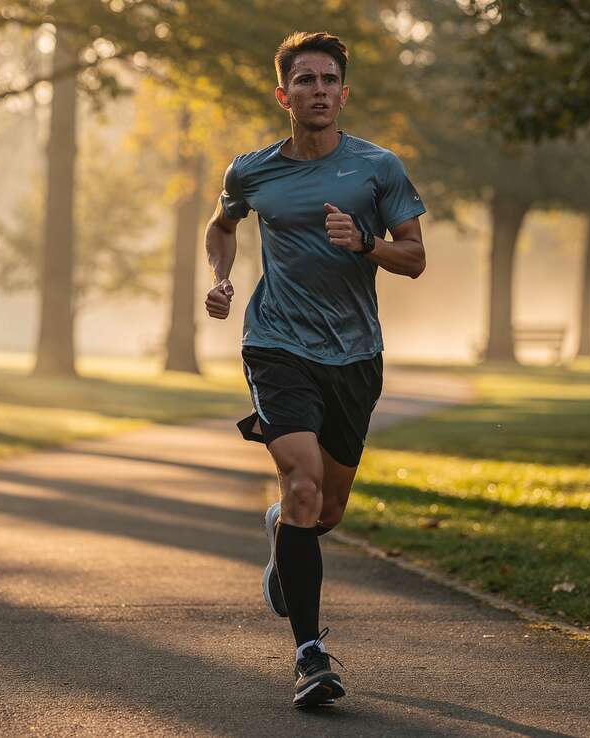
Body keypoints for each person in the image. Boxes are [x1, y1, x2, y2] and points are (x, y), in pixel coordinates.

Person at [202, 31, 427, 707]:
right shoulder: (252, 170)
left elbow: (414, 256)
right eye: (306, 81)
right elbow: (223, 223)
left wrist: (366, 244)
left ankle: (285, 534)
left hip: (355, 355)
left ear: (344, 93)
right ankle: (310, 656)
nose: (319, 91)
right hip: (277, 345)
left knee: (324, 509)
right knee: (302, 485)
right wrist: (221, 278)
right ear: (284, 95)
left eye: (330, 80)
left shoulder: (377, 169)